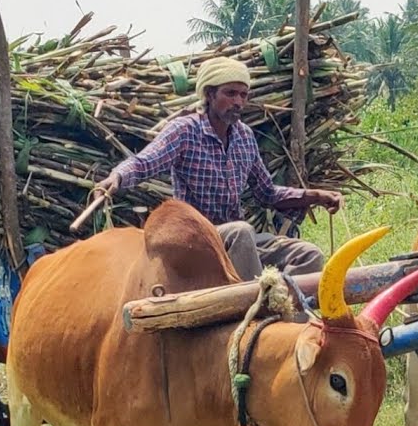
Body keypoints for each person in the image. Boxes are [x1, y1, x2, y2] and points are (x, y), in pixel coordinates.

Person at [94, 56, 343, 282]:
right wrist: (117, 177)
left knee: (308, 255)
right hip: (196, 239)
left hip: (235, 239)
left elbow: (267, 193)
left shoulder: (244, 137)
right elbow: (144, 162)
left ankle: (290, 321)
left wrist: (314, 196)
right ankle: (256, 313)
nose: (238, 102)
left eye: (243, 95)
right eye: (230, 93)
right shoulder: (185, 130)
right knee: (242, 232)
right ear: (210, 95)